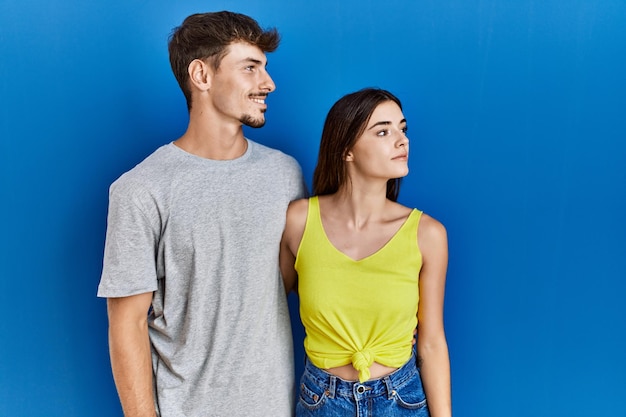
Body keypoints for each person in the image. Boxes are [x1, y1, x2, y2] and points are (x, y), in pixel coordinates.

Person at [98, 11, 307, 417]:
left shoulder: (286, 175)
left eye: (265, 68)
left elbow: (288, 287)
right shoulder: (140, 189)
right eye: (250, 68)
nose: (268, 84)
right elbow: (126, 324)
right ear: (202, 75)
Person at [280, 88, 451, 416]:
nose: (402, 141)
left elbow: (431, 343)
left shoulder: (428, 234)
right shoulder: (299, 221)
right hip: (321, 400)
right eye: (383, 131)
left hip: (401, 400)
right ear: (347, 150)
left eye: (403, 128)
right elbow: (267, 310)